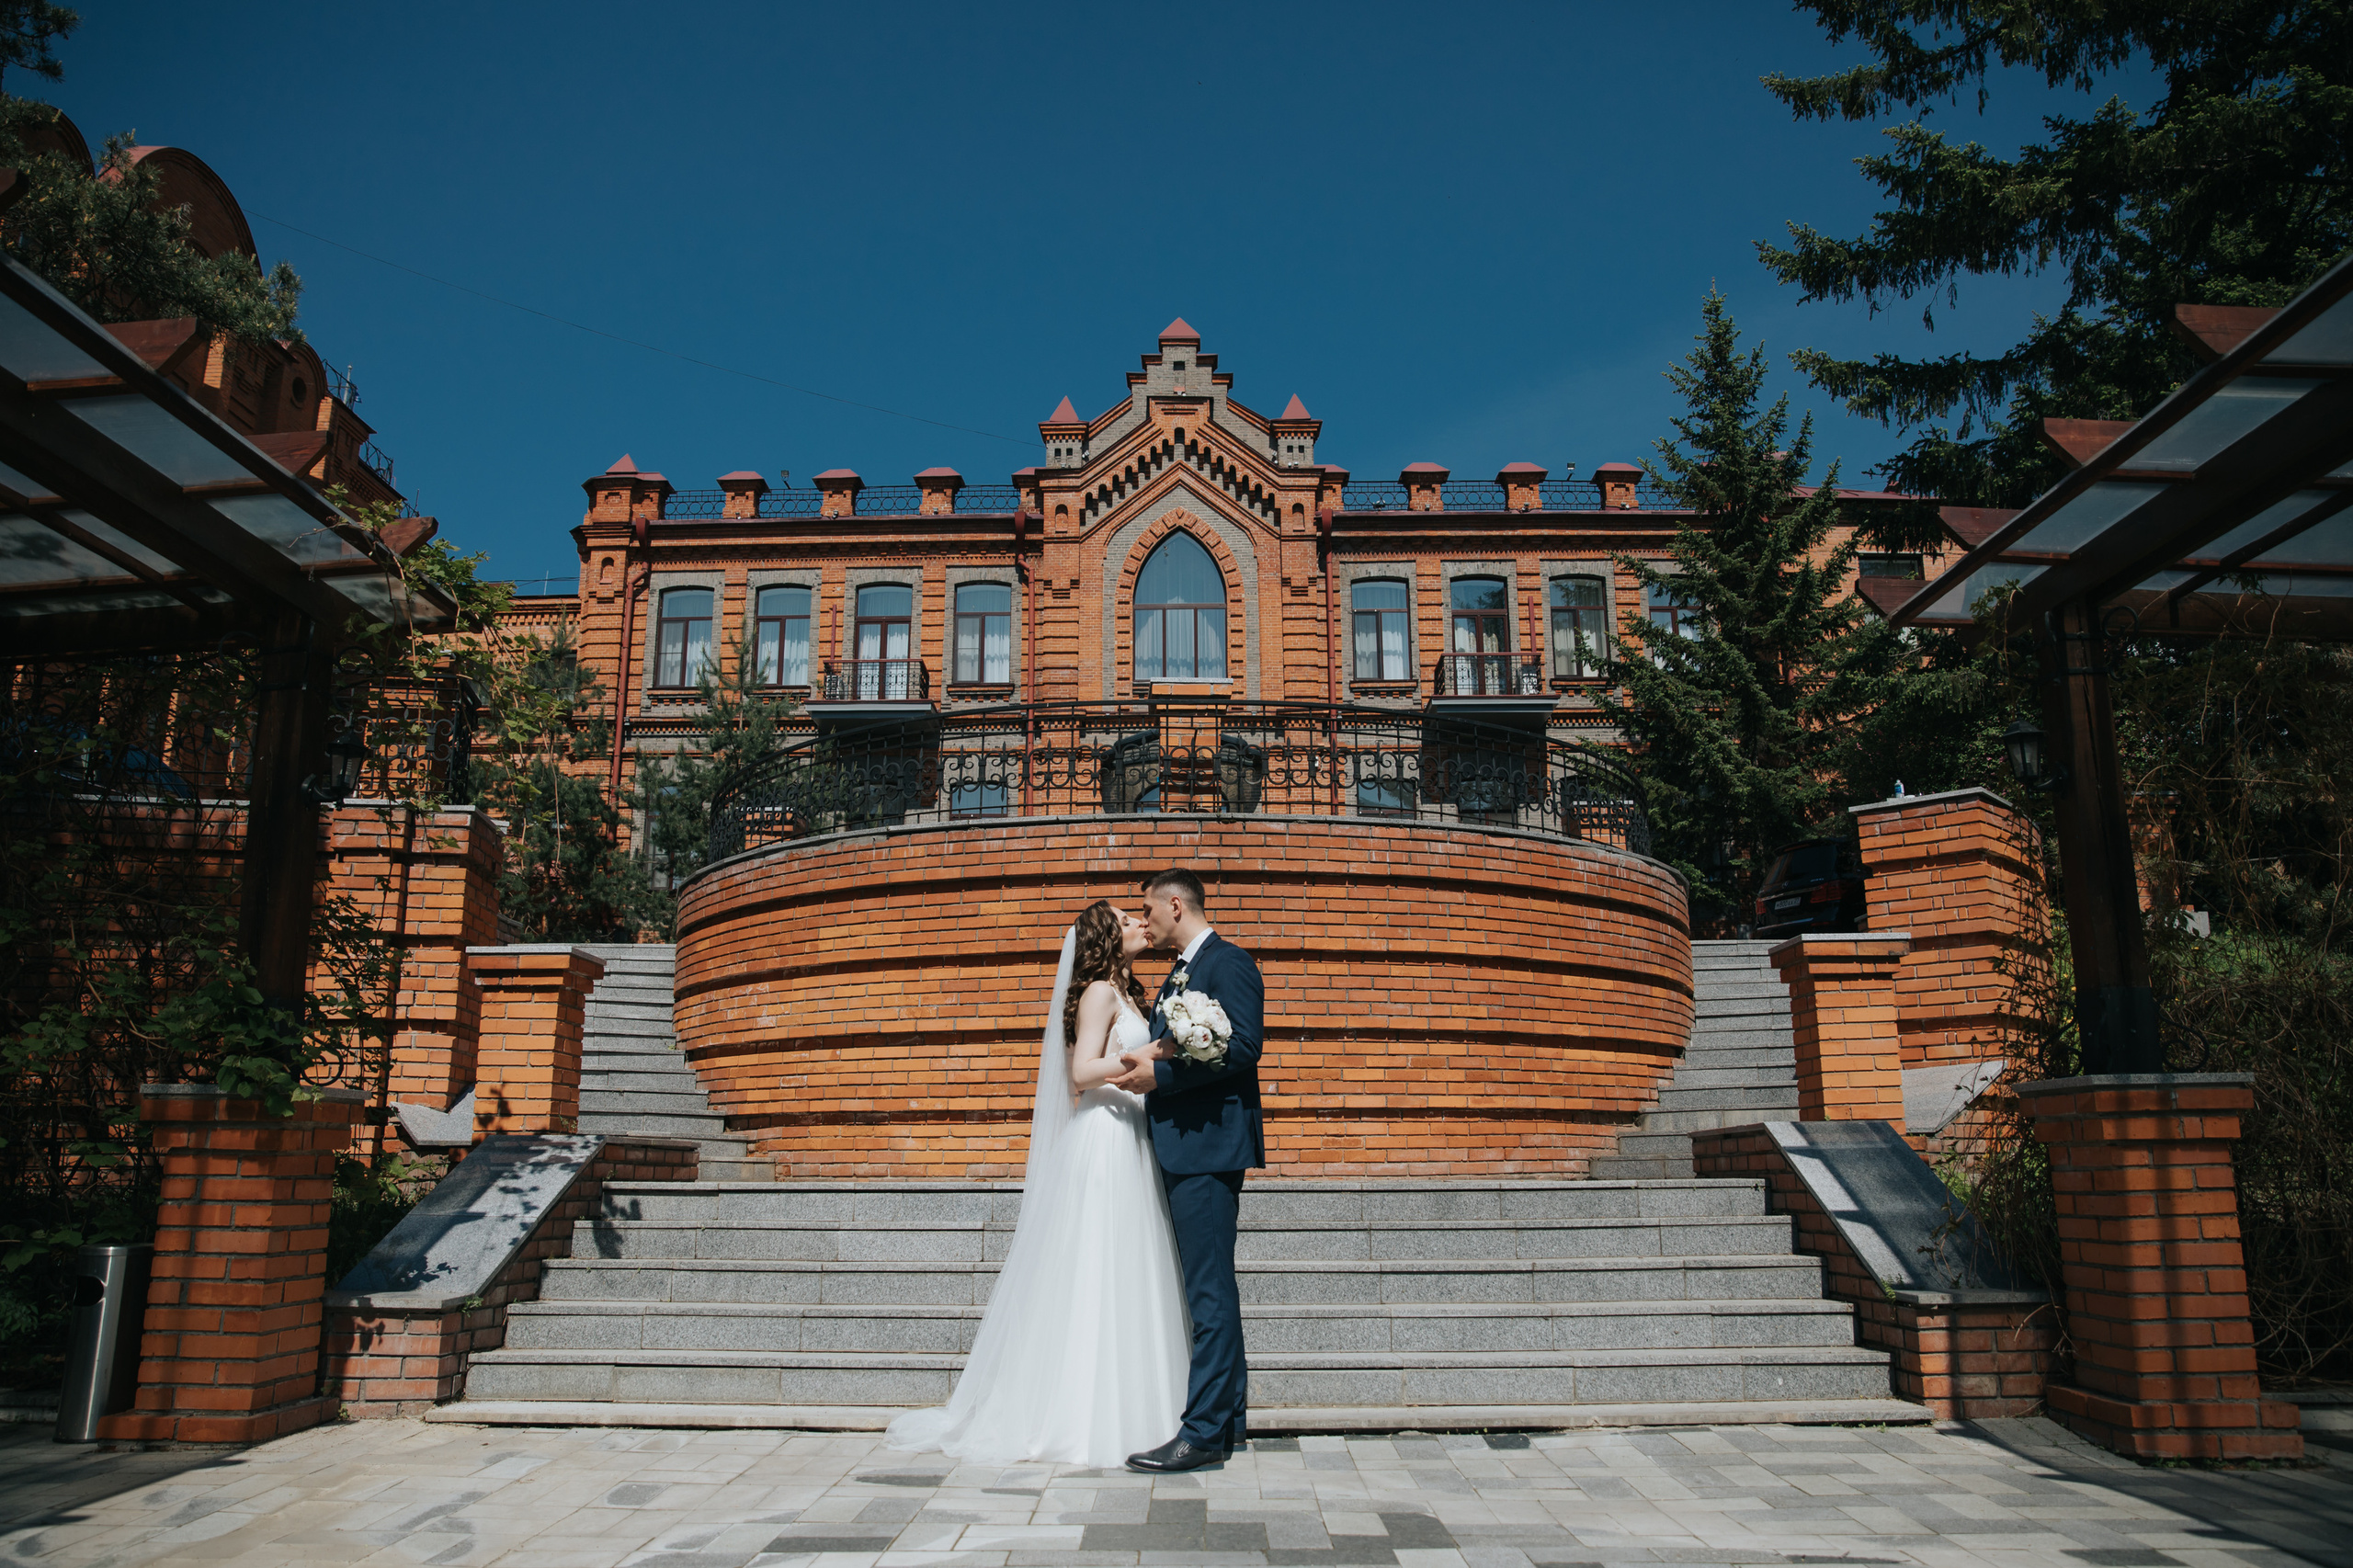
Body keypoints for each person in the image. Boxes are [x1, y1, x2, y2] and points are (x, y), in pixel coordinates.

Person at [882, 900, 1190, 1467]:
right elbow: (1080, 1073)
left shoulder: (1128, 992)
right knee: (1096, 1267)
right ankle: (1079, 1417)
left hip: (1131, 1135)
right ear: (1104, 938)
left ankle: (1137, 1409)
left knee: (1126, 1268)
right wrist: (1141, 1054)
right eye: (1125, 920)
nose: (1139, 924)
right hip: (1104, 1136)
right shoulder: (1099, 991)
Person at [1108, 867, 1266, 1473]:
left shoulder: (1228, 963)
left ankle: (1200, 1435)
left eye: (1148, 909)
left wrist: (1161, 1077)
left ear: (1177, 905)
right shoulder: (1179, 972)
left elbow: (1244, 1045)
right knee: (1211, 1285)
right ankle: (1229, 1421)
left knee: (1208, 1289)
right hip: (1184, 1145)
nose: (1144, 921)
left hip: (1207, 1148)